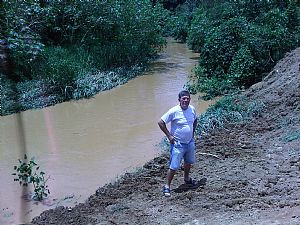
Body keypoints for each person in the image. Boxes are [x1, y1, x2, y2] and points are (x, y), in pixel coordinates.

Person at [158, 90, 197, 197]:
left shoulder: (192, 109)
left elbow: (195, 120)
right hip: (178, 144)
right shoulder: (174, 111)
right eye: (183, 98)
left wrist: (192, 133)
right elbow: (161, 122)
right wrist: (169, 136)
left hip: (189, 142)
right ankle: (167, 186)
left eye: (187, 98)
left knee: (188, 162)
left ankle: (186, 178)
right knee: (174, 166)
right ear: (179, 100)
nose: (186, 100)